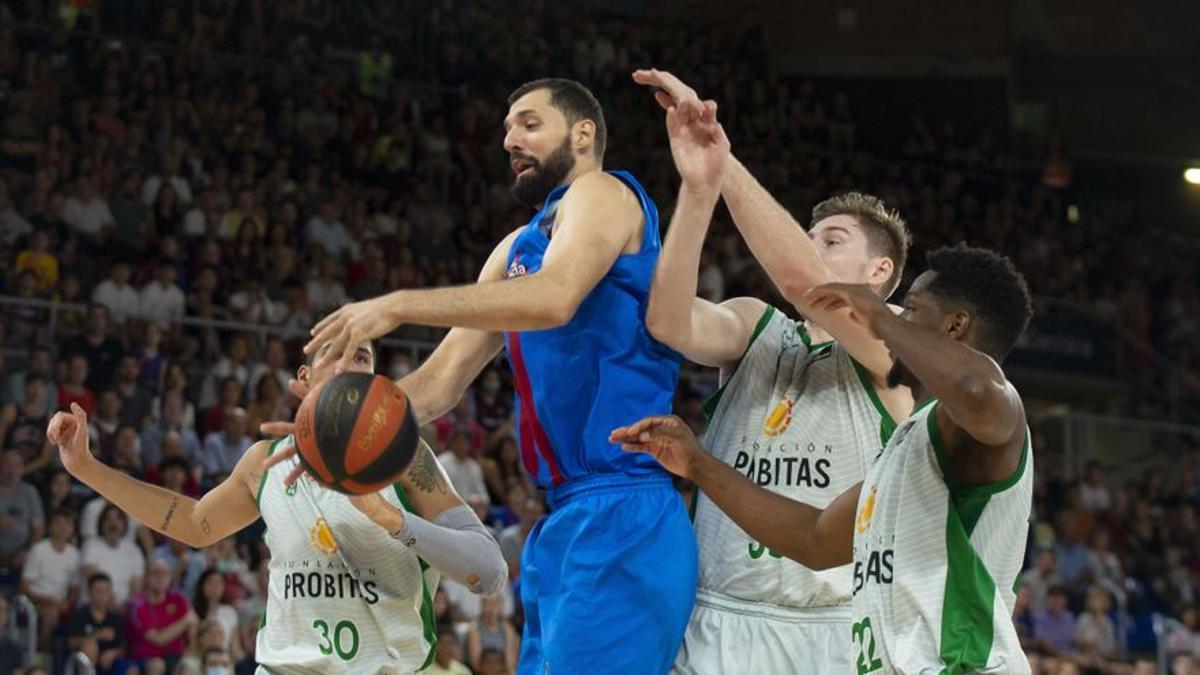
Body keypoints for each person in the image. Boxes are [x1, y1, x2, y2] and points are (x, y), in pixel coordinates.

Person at [286, 77, 696, 675]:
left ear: (584, 134)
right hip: (563, 518)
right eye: (507, 129)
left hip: (625, 505)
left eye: (529, 124)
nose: (510, 139)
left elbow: (555, 298)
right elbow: (441, 383)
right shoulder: (516, 249)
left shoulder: (603, 192)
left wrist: (401, 303)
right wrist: (331, 422)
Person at [613, 244, 1035, 673]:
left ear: (955, 326)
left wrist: (879, 317)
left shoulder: (992, 416)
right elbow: (813, 538)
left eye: (911, 309)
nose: (897, 319)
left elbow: (978, 390)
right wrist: (697, 464)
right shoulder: (909, 445)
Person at [631, 69, 913, 673]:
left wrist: (722, 160)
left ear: (879, 271)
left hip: (832, 626)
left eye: (830, 240)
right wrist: (698, 191)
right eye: (806, 236)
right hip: (719, 615)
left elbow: (809, 285)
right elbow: (669, 322)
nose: (810, 247)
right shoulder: (758, 323)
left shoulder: (898, 344)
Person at [47, 338, 506, 672]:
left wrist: (392, 519)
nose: (349, 363)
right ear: (303, 381)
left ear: (376, 382)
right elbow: (192, 522)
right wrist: (87, 468)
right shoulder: (263, 462)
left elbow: (489, 572)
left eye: (362, 355)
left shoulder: (405, 458)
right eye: (334, 353)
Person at [20, 507, 82, 650]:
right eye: (58, 523)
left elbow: (74, 588)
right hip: (35, 602)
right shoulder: (38, 550)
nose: (62, 528)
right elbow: (24, 587)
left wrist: (68, 602)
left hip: (60, 604)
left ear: (72, 528)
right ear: (50, 527)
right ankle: (42, 654)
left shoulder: (75, 554)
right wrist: (47, 600)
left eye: (67, 524)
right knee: (50, 613)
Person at [126, 557, 196, 674]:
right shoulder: (138, 605)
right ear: (147, 577)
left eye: (164, 574)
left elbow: (193, 622)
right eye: (156, 574)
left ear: (169, 577)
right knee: (157, 665)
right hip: (146, 658)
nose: (160, 578)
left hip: (176, 655)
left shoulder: (178, 598)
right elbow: (159, 639)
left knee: (188, 669)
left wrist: (189, 648)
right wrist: (184, 622)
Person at [66, 573, 129, 675]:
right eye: (97, 591)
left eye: (105, 591)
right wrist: (97, 636)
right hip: (82, 663)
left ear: (110, 594)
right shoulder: (80, 615)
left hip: (110, 664)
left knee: (132, 669)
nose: (101, 595)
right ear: (89, 592)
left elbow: (122, 646)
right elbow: (70, 642)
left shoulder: (115, 618)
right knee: (90, 645)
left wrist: (113, 654)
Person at [467, 594, 520, 673]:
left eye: (495, 604)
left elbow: (510, 661)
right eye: (488, 604)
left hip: (501, 670)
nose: (491, 608)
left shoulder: (508, 628)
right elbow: (476, 663)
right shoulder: (474, 628)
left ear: (501, 606)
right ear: (482, 606)